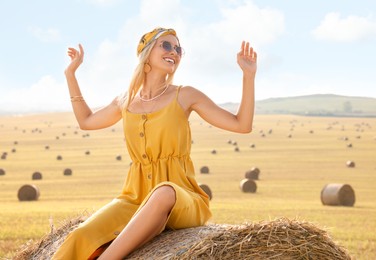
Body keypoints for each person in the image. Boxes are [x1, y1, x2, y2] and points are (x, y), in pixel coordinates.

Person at [52, 27, 257, 260]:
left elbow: (242, 125)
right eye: (167, 45)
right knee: (81, 236)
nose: (175, 52)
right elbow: (86, 121)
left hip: (182, 198)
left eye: (179, 49)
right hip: (134, 198)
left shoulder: (185, 95)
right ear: (146, 53)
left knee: (163, 192)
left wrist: (248, 76)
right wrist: (71, 75)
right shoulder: (125, 101)